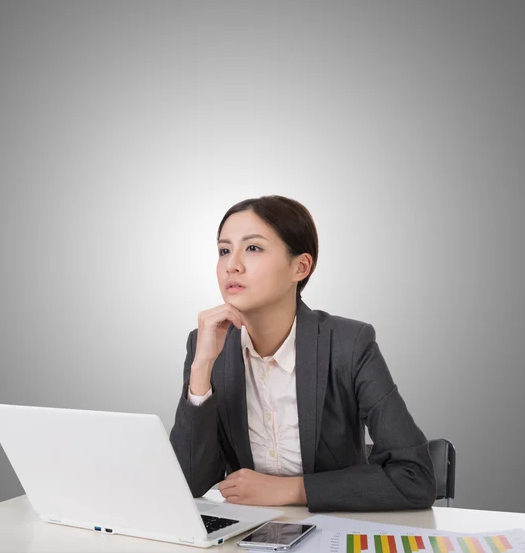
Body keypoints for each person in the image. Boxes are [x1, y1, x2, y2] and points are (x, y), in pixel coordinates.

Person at [169, 195, 436, 512]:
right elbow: (188, 483)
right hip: (247, 535)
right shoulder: (207, 345)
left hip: (335, 528)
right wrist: (201, 371)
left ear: (300, 266)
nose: (232, 265)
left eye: (252, 248)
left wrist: (290, 490)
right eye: (224, 250)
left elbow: (415, 477)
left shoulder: (349, 344)